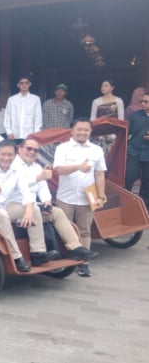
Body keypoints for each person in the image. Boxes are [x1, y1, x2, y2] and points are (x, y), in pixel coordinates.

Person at [0, 140, 59, 272]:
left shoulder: (17, 169)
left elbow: (26, 193)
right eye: (3, 154)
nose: (6, 158)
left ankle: (38, 253)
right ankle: (16, 257)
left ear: (14, 155)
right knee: (2, 215)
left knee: (34, 209)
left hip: (3, 206)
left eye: (10, 155)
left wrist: (28, 212)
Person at [12, 138, 100, 261]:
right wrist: (38, 178)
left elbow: (42, 187)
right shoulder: (11, 165)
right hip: (15, 206)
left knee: (57, 212)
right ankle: (37, 253)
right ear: (20, 149)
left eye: (36, 150)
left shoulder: (37, 166)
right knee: (36, 209)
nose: (32, 152)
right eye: (29, 149)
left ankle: (75, 247)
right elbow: (15, 186)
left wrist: (46, 201)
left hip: (34, 206)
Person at [54, 119, 107, 277]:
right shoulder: (62, 148)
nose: (82, 132)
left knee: (85, 231)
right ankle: (66, 260)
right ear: (72, 130)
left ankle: (84, 263)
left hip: (86, 198)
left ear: (90, 132)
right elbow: (59, 170)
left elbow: (99, 173)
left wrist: (101, 195)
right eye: (79, 129)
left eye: (86, 130)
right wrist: (78, 167)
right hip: (65, 197)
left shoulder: (96, 150)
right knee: (64, 230)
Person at [4, 76, 42, 141]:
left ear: (29, 84)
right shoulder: (11, 99)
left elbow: (38, 118)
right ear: (18, 85)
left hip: (30, 135)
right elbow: (7, 117)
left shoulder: (36, 99)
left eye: (26, 83)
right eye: (21, 83)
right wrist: (9, 132)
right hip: (14, 135)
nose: (24, 85)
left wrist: (36, 134)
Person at [126, 92, 149, 198]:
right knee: (128, 179)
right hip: (134, 151)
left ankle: (144, 210)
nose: (143, 104)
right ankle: (127, 205)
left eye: (146, 102)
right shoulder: (134, 116)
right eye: (142, 101)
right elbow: (125, 133)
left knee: (147, 183)